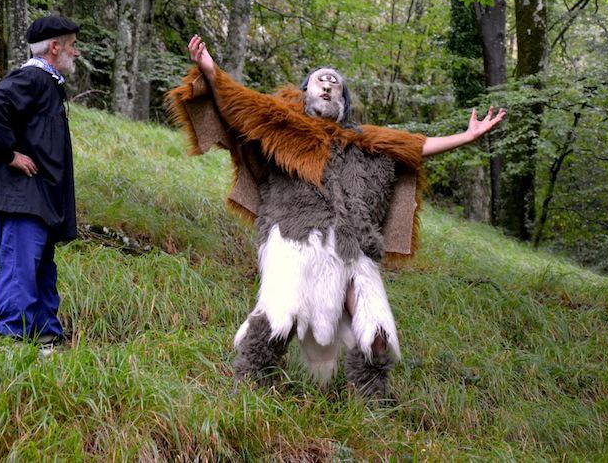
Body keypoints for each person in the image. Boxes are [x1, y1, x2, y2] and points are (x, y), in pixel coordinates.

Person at [169, 35, 504, 398]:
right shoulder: (280, 123)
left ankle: (374, 404)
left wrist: (467, 136)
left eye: (335, 83)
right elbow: (237, 103)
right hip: (293, 235)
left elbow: (413, 145)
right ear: (305, 92)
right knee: (279, 317)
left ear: (343, 102)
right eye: (320, 80)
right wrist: (208, 68)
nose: (328, 85)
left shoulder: (363, 141)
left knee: (377, 334)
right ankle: (247, 391)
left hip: (350, 244)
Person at [0, 16, 81, 355]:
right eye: (72, 45)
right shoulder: (33, 77)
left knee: (42, 270)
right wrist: (8, 154)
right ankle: (11, 343)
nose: (76, 53)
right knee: (20, 269)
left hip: (41, 198)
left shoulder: (48, 82)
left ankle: (46, 339)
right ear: (54, 47)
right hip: (23, 197)